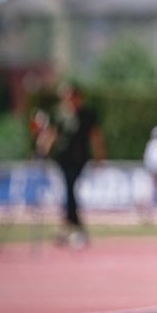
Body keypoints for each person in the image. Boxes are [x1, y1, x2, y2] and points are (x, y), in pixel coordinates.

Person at [48, 84, 106, 247]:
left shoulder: (87, 114)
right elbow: (51, 134)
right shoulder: (59, 114)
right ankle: (72, 226)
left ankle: (69, 226)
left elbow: (95, 136)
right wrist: (42, 151)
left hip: (79, 158)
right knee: (69, 189)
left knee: (70, 188)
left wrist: (99, 157)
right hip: (62, 159)